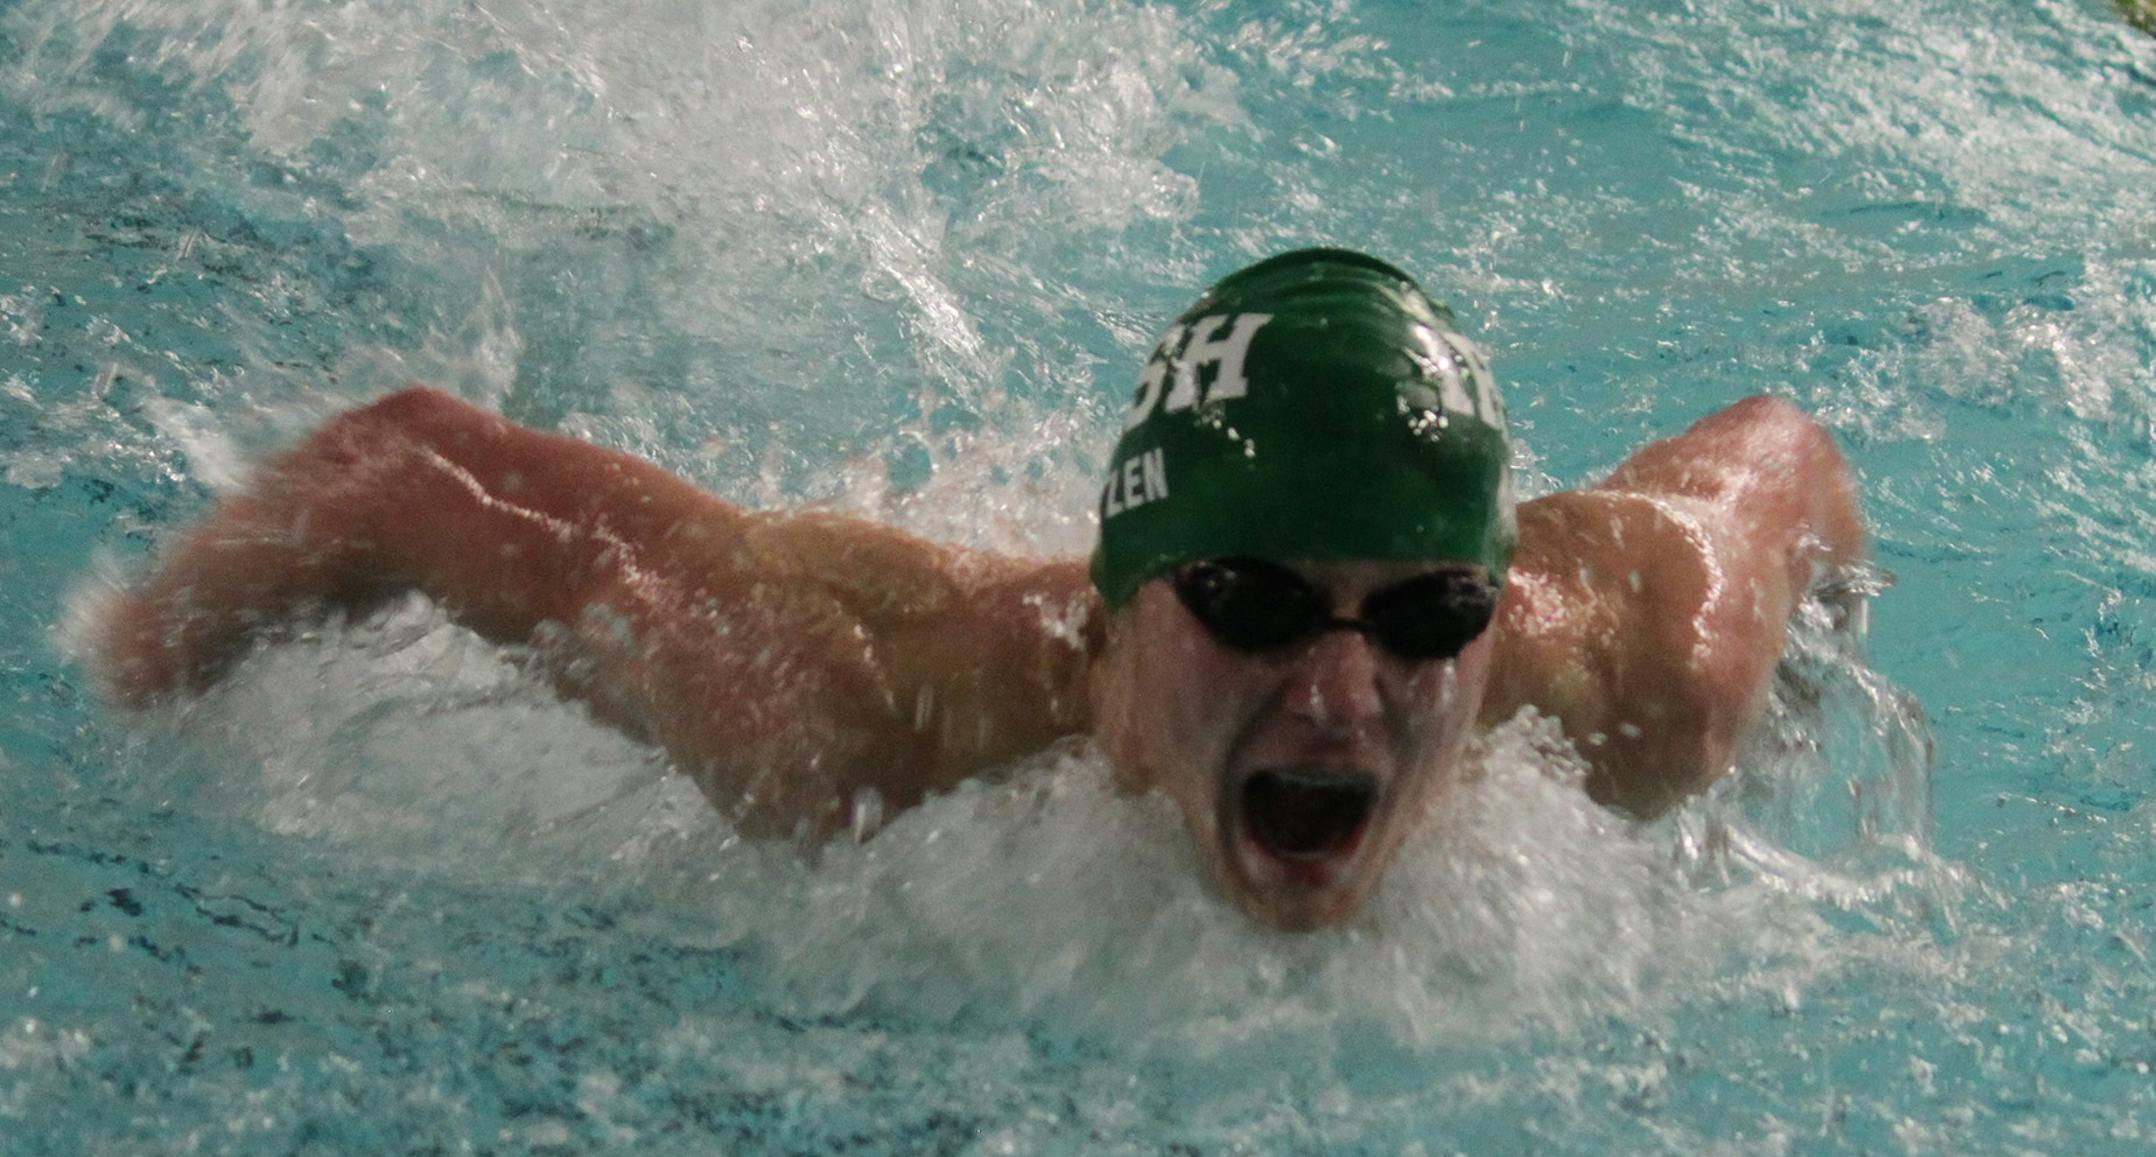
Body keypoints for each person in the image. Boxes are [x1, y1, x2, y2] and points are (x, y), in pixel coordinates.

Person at [90, 248, 1864, 930]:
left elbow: (1790, 455)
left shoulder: (1635, 672)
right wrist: (119, 704)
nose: (1342, 690)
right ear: (1114, 603)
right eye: (1249, 598)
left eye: (1422, 618)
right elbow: (401, 467)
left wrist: (1799, 716)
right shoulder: (857, 708)